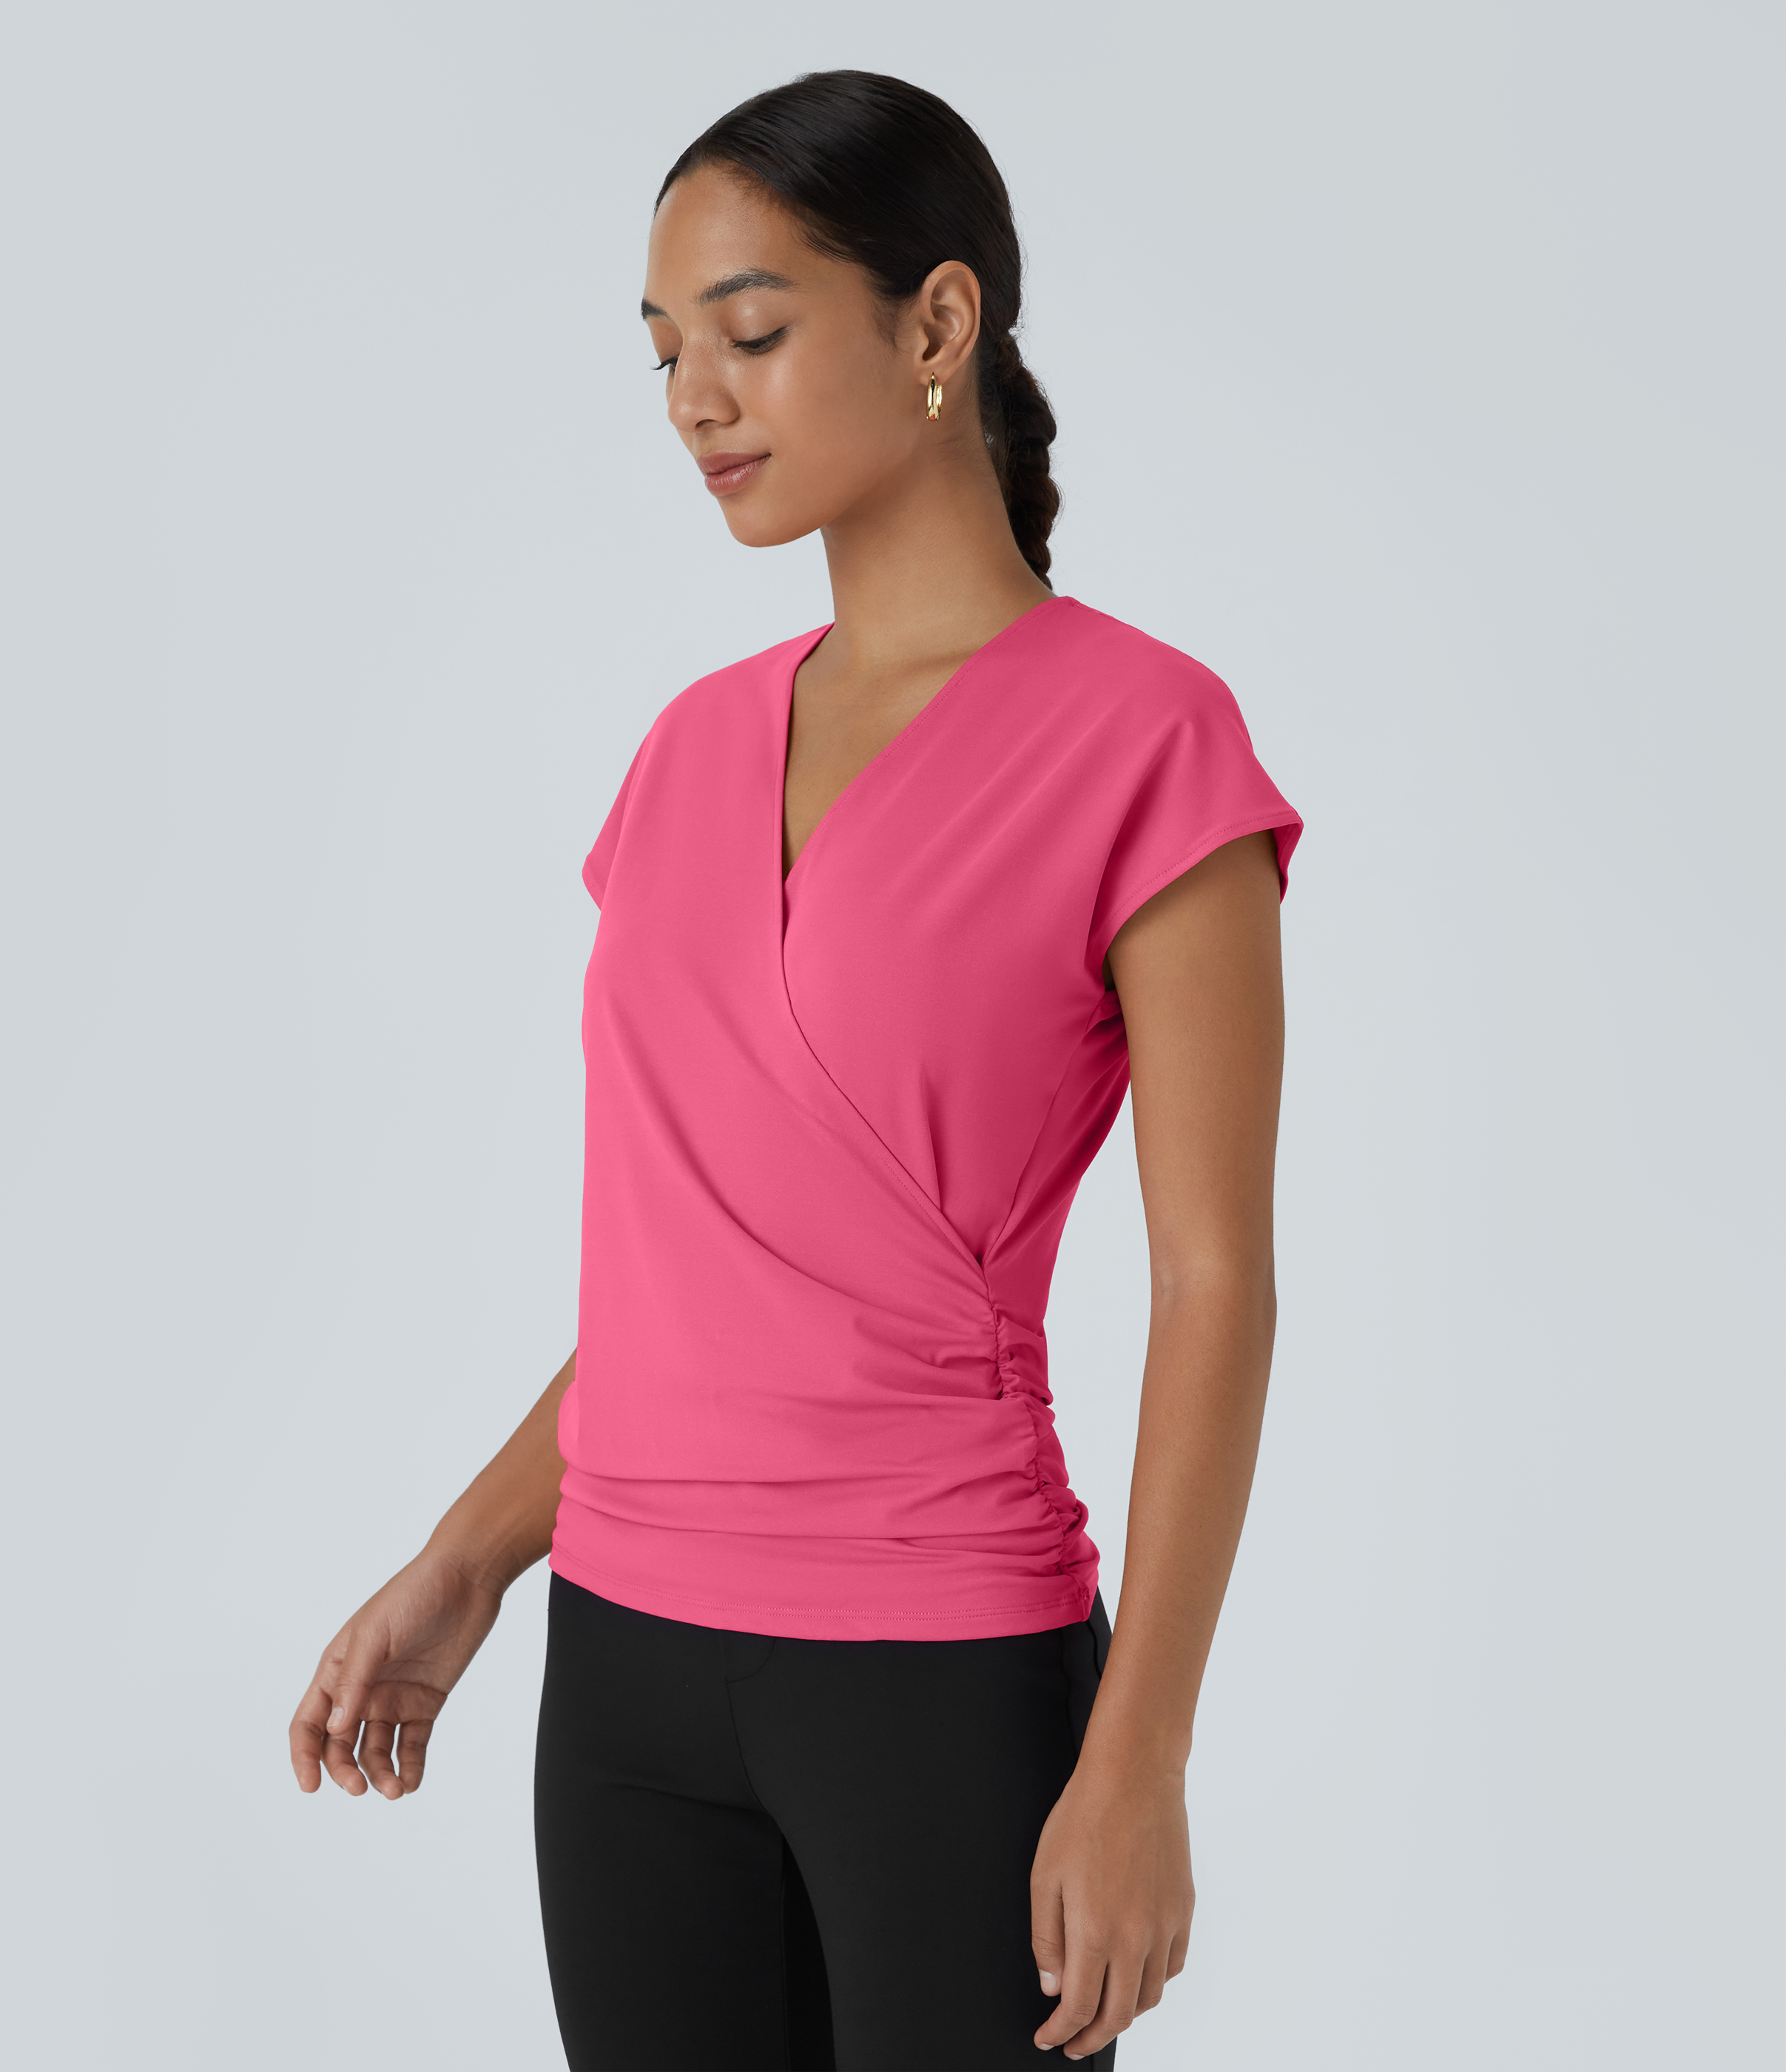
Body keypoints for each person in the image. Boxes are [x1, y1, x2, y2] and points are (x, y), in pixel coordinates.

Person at [289, 69, 1302, 2072]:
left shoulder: (1148, 742)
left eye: (749, 333)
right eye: (665, 351)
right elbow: (696, 1289)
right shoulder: (684, 751)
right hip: (626, 1687)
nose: (695, 399)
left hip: (941, 1677)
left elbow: (1216, 1285)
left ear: (940, 324)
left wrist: (1138, 1759)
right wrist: (469, 1562)